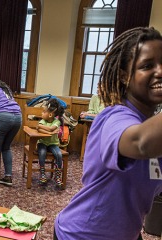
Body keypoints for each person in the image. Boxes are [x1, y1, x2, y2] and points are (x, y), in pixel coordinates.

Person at [54, 27, 162, 240]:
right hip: (81, 234)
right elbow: (140, 143)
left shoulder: (154, 128)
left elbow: (152, 176)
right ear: (124, 77)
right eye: (147, 65)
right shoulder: (114, 117)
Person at [36, 98, 64, 189]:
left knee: (59, 154)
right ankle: (43, 174)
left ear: (50, 114)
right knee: (42, 153)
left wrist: (42, 127)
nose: (42, 113)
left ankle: (57, 175)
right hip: (42, 142)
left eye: (44, 112)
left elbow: (50, 128)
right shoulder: (42, 121)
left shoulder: (57, 121)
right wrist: (48, 131)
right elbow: (39, 129)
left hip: (53, 144)